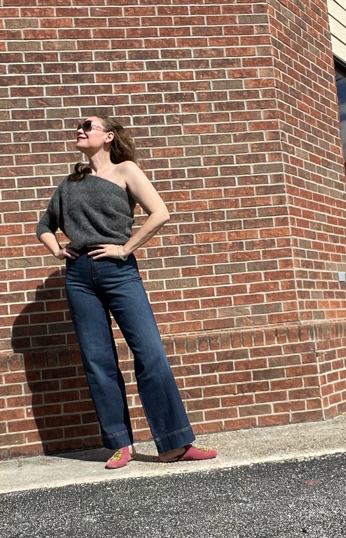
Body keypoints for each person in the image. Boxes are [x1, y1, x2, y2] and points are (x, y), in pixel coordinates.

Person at [36, 115, 218, 469]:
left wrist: (124, 248)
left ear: (108, 136)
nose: (80, 129)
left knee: (150, 353)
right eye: (78, 125)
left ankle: (173, 444)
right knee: (98, 360)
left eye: (88, 125)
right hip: (78, 276)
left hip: (119, 272)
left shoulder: (126, 170)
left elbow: (159, 212)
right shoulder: (71, 182)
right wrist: (58, 249)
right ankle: (120, 444)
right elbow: (44, 225)